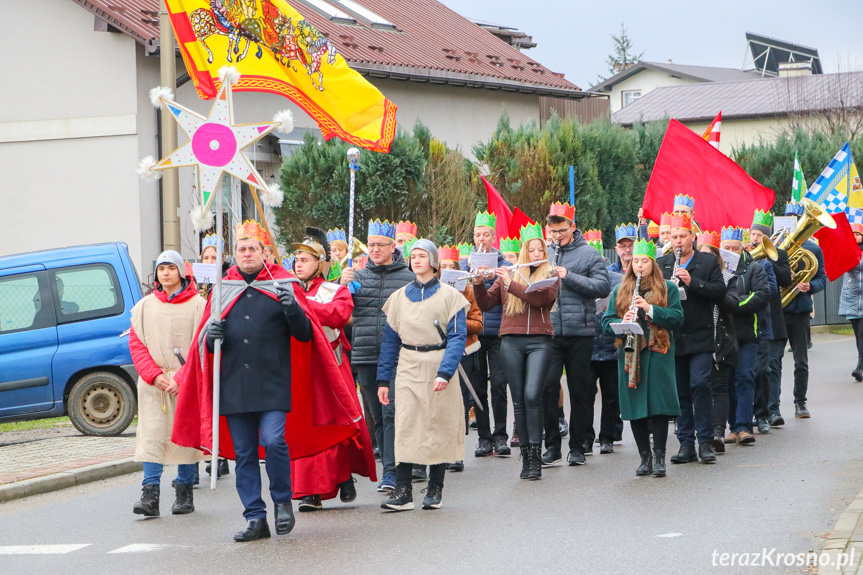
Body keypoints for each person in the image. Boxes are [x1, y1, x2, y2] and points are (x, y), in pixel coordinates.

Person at [173, 220, 360, 542]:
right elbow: (204, 342)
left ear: (264, 253)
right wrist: (209, 337)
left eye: (253, 249)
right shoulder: (223, 289)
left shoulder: (283, 285)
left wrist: (293, 311)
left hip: (273, 382)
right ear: (237, 254)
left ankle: (282, 501)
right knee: (245, 454)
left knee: (274, 442)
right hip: (233, 385)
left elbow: (305, 335)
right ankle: (255, 517)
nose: (247, 254)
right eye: (242, 249)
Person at [288, 228, 376, 512]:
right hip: (299, 370)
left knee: (337, 422)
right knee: (304, 427)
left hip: (331, 367)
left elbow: (338, 315)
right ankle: (309, 491)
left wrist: (301, 306)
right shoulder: (286, 291)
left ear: (319, 263)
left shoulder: (333, 290)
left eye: (304, 259)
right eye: (296, 259)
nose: (298, 263)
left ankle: (344, 475)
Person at [377, 240, 469, 510]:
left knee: (438, 423)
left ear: (433, 260)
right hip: (408, 365)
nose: (416, 260)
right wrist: (384, 380)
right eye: (412, 256)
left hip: (437, 364)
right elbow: (390, 342)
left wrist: (445, 371)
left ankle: (435, 488)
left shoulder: (450, 296)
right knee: (406, 425)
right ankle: (403, 491)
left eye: (422, 256)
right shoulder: (398, 297)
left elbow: (457, 337)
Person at [473, 223, 558, 479]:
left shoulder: (550, 275)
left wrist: (510, 283)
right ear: (523, 252)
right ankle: (528, 459)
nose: (534, 254)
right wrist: (478, 283)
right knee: (519, 399)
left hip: (539, 342)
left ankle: (536, 452)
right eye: (530, 250)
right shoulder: (507, 275)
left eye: (538, 249)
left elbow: (539, 300)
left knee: (533, 395)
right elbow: (486, 304)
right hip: (511, 340)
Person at [129, 250, 206, 517]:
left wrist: (183, 377)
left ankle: (184, 492)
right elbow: (137, 344)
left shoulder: (198, 305)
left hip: (187, 381)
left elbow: (202, 346)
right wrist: (154, 375)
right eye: (161, 268)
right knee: (152, 437)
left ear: (180, 272)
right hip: (154, 384)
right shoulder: (144, 306)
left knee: (183, 438)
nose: (165, 273)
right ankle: (149, 495)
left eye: (170, 268)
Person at [340, 220, 415, 492]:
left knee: (393, 412)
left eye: (380, 245)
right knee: (378, 416)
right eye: (370, 245)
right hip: (365, 355)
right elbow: (341, 312)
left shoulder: (408, 278)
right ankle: (390, 470)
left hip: (397, 358)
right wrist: (341, 285)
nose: (374, 250)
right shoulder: (357, 278)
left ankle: (395, 472)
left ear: (393, 247)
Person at [603, 239, 684, 477]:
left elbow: (677, 318)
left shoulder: (667, 288)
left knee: (658, 407)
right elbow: (606, 321)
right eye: (636, 261)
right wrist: (622, 321)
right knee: (635, 406)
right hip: (629, 353)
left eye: (645, 261)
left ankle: (660, 456)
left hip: (659, 351)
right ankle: (644, 457)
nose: (639, 265)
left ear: (653, 264)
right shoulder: (619, 290)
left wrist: (649, 309)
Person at [541, 202, 611, 466]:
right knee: (548, 387)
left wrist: (567, 275)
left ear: (572, 227)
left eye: (562, 230)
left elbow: (602, 287)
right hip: (549, 332)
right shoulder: (544, 252)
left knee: (580, 391)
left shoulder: (590, 254)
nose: (557, 235)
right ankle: (552, 446)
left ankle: (579, 446)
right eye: (553, 230)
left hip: (580, 332)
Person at [657, 213, 725, 465]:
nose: (678, 241)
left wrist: (692, 282)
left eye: (683, 236)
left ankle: (705, 441)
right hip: (674, 335)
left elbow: (720, 292)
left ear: (692, 237)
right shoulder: (662, 263)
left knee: (700, 384)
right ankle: (686, 444)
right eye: (674, 237)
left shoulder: (707, 262)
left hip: (701, 334)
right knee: (680, 391)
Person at [461, 211, 512, 457]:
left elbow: (513, 294)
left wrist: (495, 279)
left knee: (500, 384)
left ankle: (501, 435)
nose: (481, 238)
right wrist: (469, 278)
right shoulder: (464, 264)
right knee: (478, 386)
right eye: (477, 235)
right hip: (475, 333)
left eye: (486, 234)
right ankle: (483, 438)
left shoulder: (506, 266)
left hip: (499, 332)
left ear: (494, 237)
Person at [719, 227, 769, 446]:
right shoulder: (716, 269)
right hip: (723, 334)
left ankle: (744, 427)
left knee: (745, 377)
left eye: (735, 248)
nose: (731, 251)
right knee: (727, 381)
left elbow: (761, 295)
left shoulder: (754, 268)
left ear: (743, 248)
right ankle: (732, 426)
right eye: (727, 248)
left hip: (748, 333)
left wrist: (734, 304)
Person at [438, 245, 483, 471]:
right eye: (443, 266)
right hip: (434, 352)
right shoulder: (430, 291)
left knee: (459, 403)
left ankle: (456, 452)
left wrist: (457, 321)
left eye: (451, 267)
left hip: (461, 352)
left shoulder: (468, 292)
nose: (447, 270)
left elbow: (478, 324)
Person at [747, 211, 792, 430]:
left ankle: (773, 411)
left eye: (758, 235)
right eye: (752, 234)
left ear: (766, 237)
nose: (754, 238)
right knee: (753, 368)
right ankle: (755, 411)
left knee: (771, 367)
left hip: (773, 321)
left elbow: (785, 280)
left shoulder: (779, 254)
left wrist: (768, 257)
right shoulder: (743, 257)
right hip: (751, 324)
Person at [781, 203, 827, 418]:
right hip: (777, 311)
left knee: (801, 361)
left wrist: (811, 287)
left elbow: (822, 278)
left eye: (796, 219)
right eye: (788, 218)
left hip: (799, 310)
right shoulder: (775, 245)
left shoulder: (813, 248)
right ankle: (771, 407)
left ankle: (800, 402)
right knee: (771, 361)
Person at [695, 231, 737, 454]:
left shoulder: (728, 278)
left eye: (710, 255)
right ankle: (702, 431)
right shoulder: (688, 277)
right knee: (700, 387)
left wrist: (714, 286)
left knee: (719, 387)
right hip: (697, 341)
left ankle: (718, 431)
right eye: (702, 255)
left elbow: (732, 303)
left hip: (721, 340)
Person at [197, 234, 231, 478]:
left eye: (214, 257)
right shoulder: (196, 285)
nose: (210, 262)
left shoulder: (229, 282)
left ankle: (220, 455)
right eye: (206, 258)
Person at [587, 234, 624, 454]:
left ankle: (608, 436)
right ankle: (585, 438)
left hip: (612, 345)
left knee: (611, 395)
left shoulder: (618, 281)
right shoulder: (578, 280)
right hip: (587, 346)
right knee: (585, 395)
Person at [839, 221, 863, 381]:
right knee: (858, 335)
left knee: (862, 333)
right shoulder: (847, 250)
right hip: (853, 298)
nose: (855, 237)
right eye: (853, 234)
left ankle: (860, 366)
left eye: (858, 234)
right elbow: (840, 266)